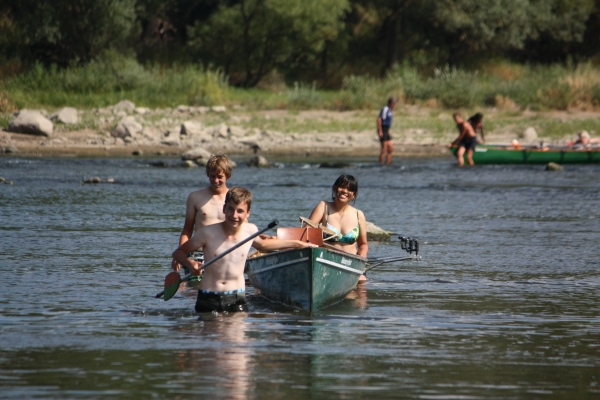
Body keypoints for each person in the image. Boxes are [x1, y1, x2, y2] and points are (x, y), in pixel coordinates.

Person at [172, 186, 316, 313]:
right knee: (210, 343)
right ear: (224, 209)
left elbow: (263, 245)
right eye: (230, 209)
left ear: (248, 213)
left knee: (237, 343)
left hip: (237, 298)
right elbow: (178, 253)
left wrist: (298, 244)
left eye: (240, 211)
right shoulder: (207, 233)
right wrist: (189, 263)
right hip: (208, 297)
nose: (234, 215)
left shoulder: (250, 231)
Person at [171, 154, 233, 279]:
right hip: (197, 256)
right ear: (208, 175)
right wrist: (180, 255)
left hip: (225, 253)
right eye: (212, 176)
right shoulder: (195, 197)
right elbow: (187, 230)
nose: (216, 181)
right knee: (195, 292)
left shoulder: (234, 198)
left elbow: (244, 229)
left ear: (227, 175)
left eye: (220, 177)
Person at [308, 174, 369, 282]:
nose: (345, 191)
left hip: (350, 266)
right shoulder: (323, 207)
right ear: (334, 188)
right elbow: (305, 233)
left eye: (349, 189)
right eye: (342, 186)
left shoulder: (359, 215)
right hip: (326, 263)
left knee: (362, 281)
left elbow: (363, 244)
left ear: (354, 194)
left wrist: (361, 258)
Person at [377, 97, 397, 164]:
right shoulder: (385, 109)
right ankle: (380, 164)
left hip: (386, 131)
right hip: (383, 129)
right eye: (395, 104)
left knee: (390, 149)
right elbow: (379, 119)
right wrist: (380, 131)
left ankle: (387, 164)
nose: (395, 105)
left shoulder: (390, 110)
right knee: (384, 149)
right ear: (392, 103)